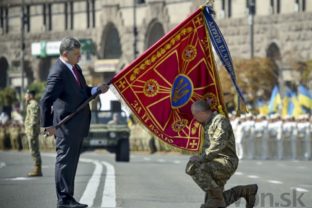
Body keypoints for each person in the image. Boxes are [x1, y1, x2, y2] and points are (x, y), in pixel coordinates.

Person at [40, 37, 109, 208]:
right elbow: (45, 100)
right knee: (64, 163)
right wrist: (48, 126)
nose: (79, 57)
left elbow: (82, 91)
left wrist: (95, 90)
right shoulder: (58, 72)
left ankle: (68, 198)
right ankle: (63, 200)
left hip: (76, 126)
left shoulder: (75, 68)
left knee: (71, 165)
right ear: (65, 54)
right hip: (65, 126)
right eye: (76, 54)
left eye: (80, 53)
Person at [186, 99, 258, 208]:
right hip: (213, 162)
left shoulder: (220, 121)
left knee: (195, 168)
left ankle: (216, 199)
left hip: (225, 162)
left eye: (194, 115)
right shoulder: (207, 123)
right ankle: (246, 191)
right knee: (213, 204)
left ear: (201, 113)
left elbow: (218, 144)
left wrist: (201, 158)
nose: (194, 118)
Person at [24, 89, 42, 176]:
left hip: (32, 131)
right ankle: (37, 168)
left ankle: (37, 169)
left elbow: (34, 119)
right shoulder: (31, 104)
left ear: (30, 95)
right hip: (32, 131)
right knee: (33, 150)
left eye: (26, 95)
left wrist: (31, 131)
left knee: (34, 150)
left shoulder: (33, 105)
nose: (25, 97)